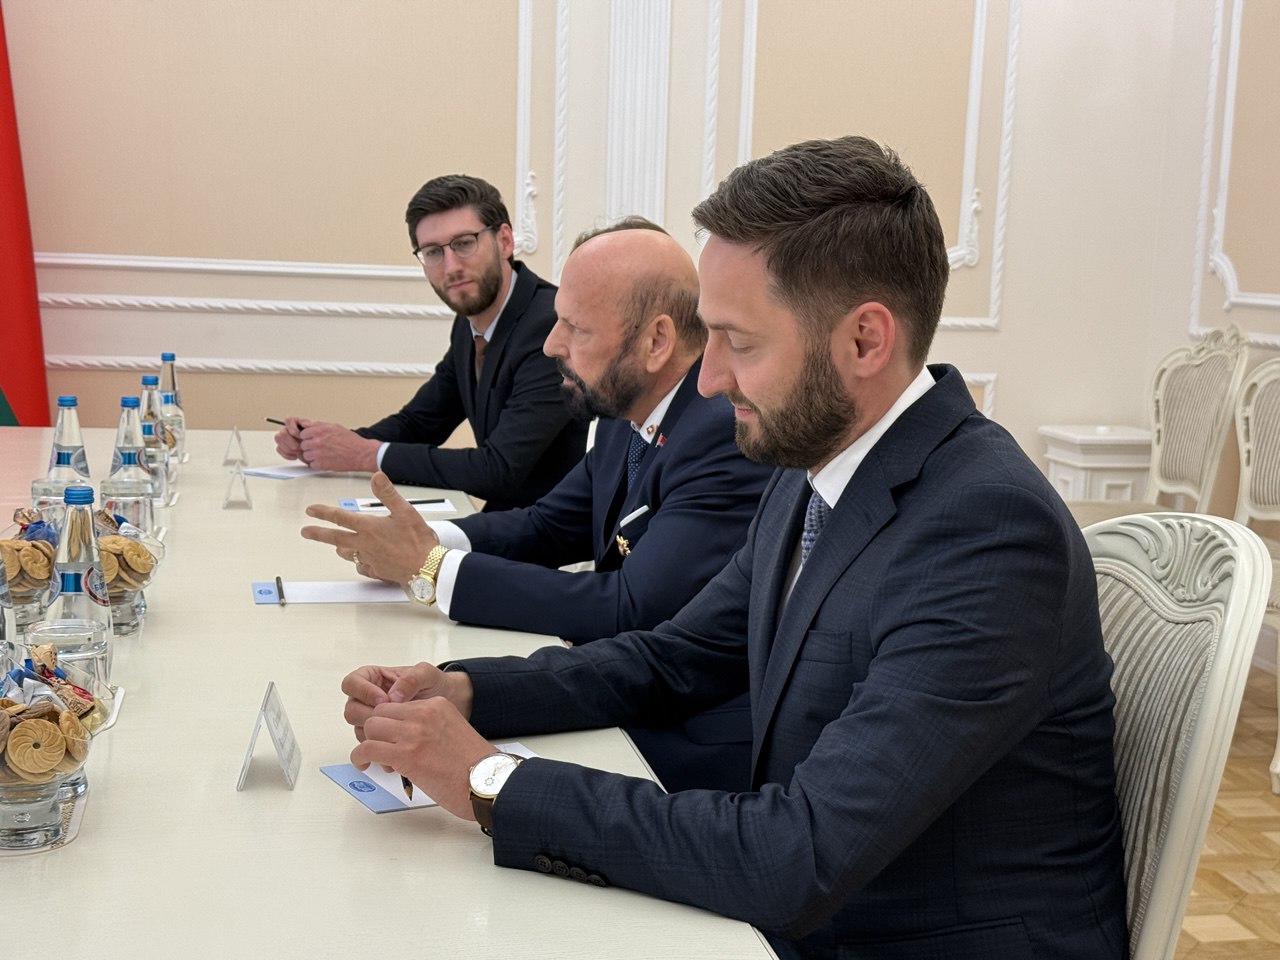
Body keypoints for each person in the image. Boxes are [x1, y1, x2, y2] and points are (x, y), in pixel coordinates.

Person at [339, 137, 1129, 960]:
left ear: (864, 341)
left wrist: (489, 781)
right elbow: (674, 658)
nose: (709, 379)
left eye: (737, 342)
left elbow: (797, 854)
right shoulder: (812, 465)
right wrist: (467, 691)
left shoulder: (988, 529)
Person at [303, 218, 773, 791]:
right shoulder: (629, 408)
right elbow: (549, 525)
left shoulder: (721, 431)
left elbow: (631, 607)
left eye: (575, 328)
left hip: (687, 745)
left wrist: (429, 568)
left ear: (656, 342)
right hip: (620, 688)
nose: (552, 345)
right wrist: (423, 543)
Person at [274, 174, 587, 512]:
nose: (450, 266)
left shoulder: (548, 326)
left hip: (549, 534)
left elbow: (497, 469)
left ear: (505, 241)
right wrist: (323, 443)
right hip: (502, 522)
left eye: (464, 243)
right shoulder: (470, 321)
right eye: (433, 251)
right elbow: (420, 423)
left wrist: (364, 453)